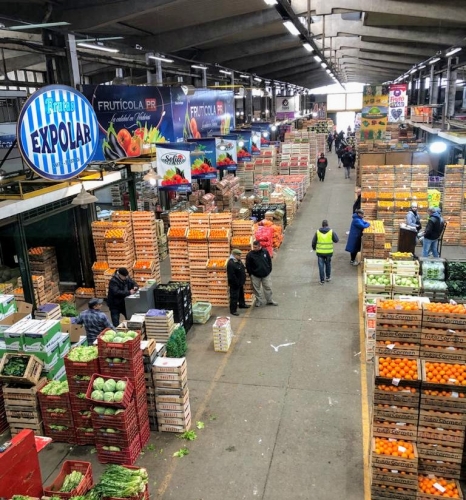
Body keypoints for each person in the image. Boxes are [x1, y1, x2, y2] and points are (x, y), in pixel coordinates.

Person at [246, 240, 278, 307]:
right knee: (256, 289)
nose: (254, 248)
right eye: (253, 247)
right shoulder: (250, 255)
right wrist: (251, 274)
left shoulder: (265, 252)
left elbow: (269, 261)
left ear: (260, 246)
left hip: (266, 274)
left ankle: (269, 300)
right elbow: (248, 265)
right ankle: (258, 301)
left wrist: (269, 270)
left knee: (268, 287)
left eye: (256, 247)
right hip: (255, 275)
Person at [312, 220, 339, 284]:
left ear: (322, 225)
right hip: (329, 252)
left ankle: (322, 280)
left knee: (321, 266)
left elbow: (313, 242)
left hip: (320, 252)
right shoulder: (331, 232)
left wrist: (314, 248)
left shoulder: (318, 232)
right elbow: (336, 240)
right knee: (328, 264)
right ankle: (328, 277)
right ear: (327, 225)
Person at [227, 249, 249, 316]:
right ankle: (233, 310)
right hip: (235, 284)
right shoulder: (231, 263)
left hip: (240, 282)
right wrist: (236, 283)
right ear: (235, 255)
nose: (240, 256)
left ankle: (242, 304)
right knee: (234, 297)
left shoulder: (238, 260)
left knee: (241, 294)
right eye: (239, 255)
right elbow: (231, 276)